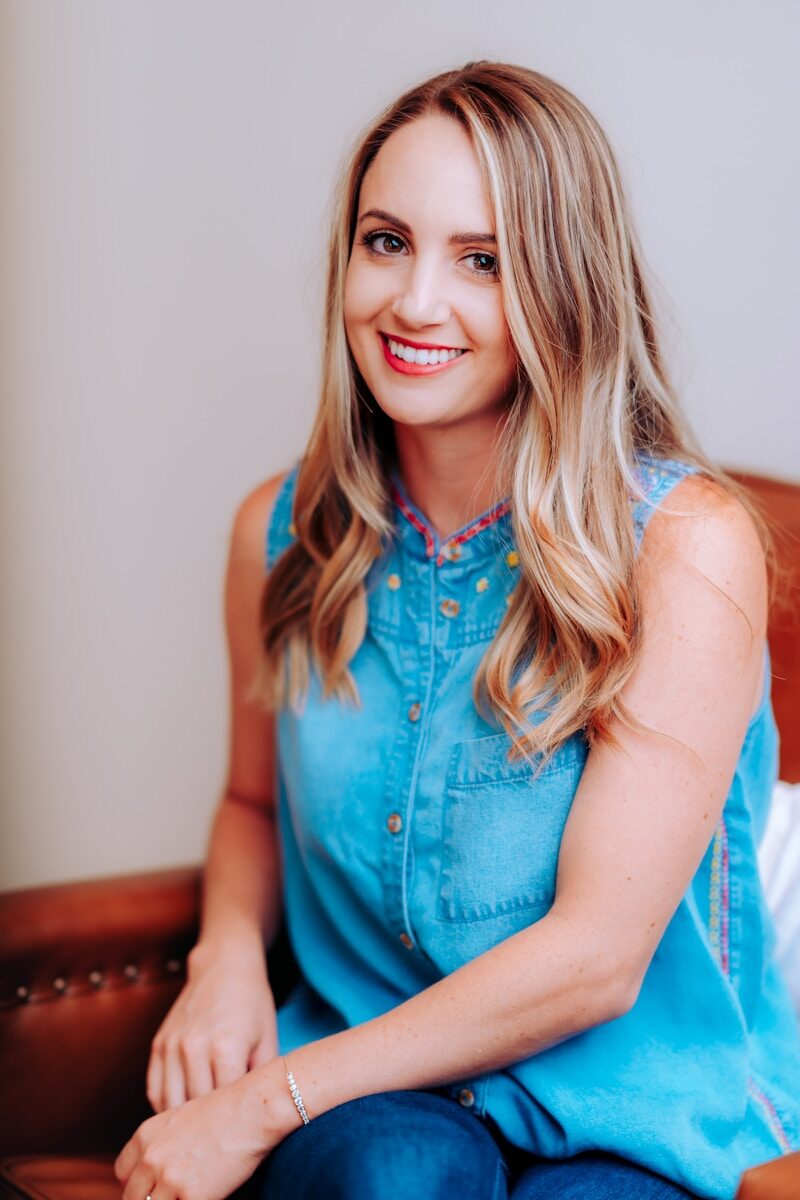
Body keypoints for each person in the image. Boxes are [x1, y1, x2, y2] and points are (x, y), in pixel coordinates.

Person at [113, 61, 800, 1200]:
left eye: (481, 261)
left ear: (564, 285)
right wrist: (223, 960)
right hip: (369, 1084)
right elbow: (248, 805)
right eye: (386, 242)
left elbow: (594, 959)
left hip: (626, 1101)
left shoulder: (687, 547)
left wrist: (259, 1105)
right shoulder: (279, 536)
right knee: (387, 1176)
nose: (415, 303)